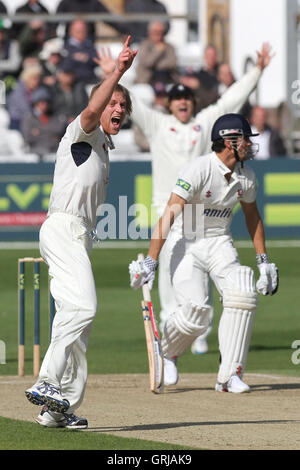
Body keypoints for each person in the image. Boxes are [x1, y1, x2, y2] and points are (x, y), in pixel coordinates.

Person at [96, 42, 273, 356]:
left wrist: (257, 70)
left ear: (192, 103)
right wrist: (113, 71)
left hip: (200, 208)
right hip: (168, 207)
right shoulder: (157, 125)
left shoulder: (205, 124)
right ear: (169, 104)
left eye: (186, 99)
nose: (182, 103)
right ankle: (169, 327)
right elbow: (130, 100)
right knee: (168, 270)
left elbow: (234, 97)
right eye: (176, 99)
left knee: (199, 266)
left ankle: (199, 331)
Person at [24, 36, 137, 429]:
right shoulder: (82, 132)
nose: (118, 108)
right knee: (84, 308)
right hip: (63, 227)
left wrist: (115, 81)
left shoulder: (104, 146)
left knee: (78, 322)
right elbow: (92, 107)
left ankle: (58, 409)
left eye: (123, 105)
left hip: (78, 234)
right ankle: (46, 381)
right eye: (113, 103)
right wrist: (117, 72)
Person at [129, 113, 279, 393]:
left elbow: (252, 218)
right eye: (245, 139)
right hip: (186, 242)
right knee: (197, 313)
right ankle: (169, 352)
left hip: (220, 242)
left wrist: (264, 262)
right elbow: (169, 214)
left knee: (243, 293)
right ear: (228, 140)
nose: (249, 144)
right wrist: (151, 260)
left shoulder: (246, 176)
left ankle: (230, 374)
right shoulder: (198, 169)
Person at [20, 86, 67, 159]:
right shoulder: (29, 118)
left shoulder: (54, 117)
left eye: (47, 102)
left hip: (54, 150)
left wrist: (39, 132)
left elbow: (59, 130)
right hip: (36, 152)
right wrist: (50, 134)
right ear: (35, 104)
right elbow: (27, 137)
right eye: (42, 102)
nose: (45, 105)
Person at [134, 20, 178, 86]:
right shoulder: (144, 45)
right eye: (155, 32)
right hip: (147, 80)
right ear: (150, 32)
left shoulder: (169, 47)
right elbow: (146, 63)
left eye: (160, 32)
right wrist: (158, 51)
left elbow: (172, 63)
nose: (158, 34)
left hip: (167, 79)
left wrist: (156, 65)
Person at [49, 60, 89, 124]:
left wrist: (75, 117)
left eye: (71, 73)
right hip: (60, 124)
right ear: (58, 75)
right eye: (66, 74)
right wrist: (66, 118)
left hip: (79, 121)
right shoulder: (53, 90)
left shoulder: (79, 87)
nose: (69, 77)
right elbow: (54, 110)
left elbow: (85, 106)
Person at [62, 19, 99, 85]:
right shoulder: (64, 46)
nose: (81, 33)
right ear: (71, 31)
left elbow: (97, 60)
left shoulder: (89, 45)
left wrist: (87, 58)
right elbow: (64, 66)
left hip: (91, 80)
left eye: (83, 31)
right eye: (78, 31)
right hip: (73, 83)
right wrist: (74, 58)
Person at [7, 63, 43, 130]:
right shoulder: (18, 91)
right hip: (17, 122)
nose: (37, 82)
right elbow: (26, 110)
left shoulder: (36, 90)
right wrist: (38, 112)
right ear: (27, 78)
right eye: (34, 79)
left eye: (38, 79)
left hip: (30, 121)